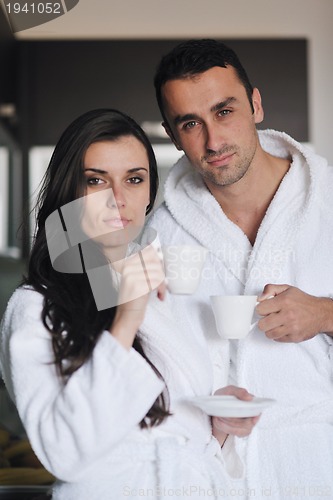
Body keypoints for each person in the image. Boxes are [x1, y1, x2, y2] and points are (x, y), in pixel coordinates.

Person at [0, 108, 258, 500]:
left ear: (149, 193)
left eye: (134, 179)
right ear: (68, 192)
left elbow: (182, 437)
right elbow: (62, 453)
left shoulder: (164, 299)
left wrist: (219, 425)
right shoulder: (35, 309)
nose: (117, 200)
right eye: (95, 181)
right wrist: (126, 318)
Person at [143, 39, 333, 498]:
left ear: (256, 104)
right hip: (210, 476)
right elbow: (141, 366)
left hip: (317, 464)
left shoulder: (327, 204)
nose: (213, 141)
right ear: (172, 135)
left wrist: (326, 314)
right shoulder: (159, 233)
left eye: (224, 111)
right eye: (191, 123)